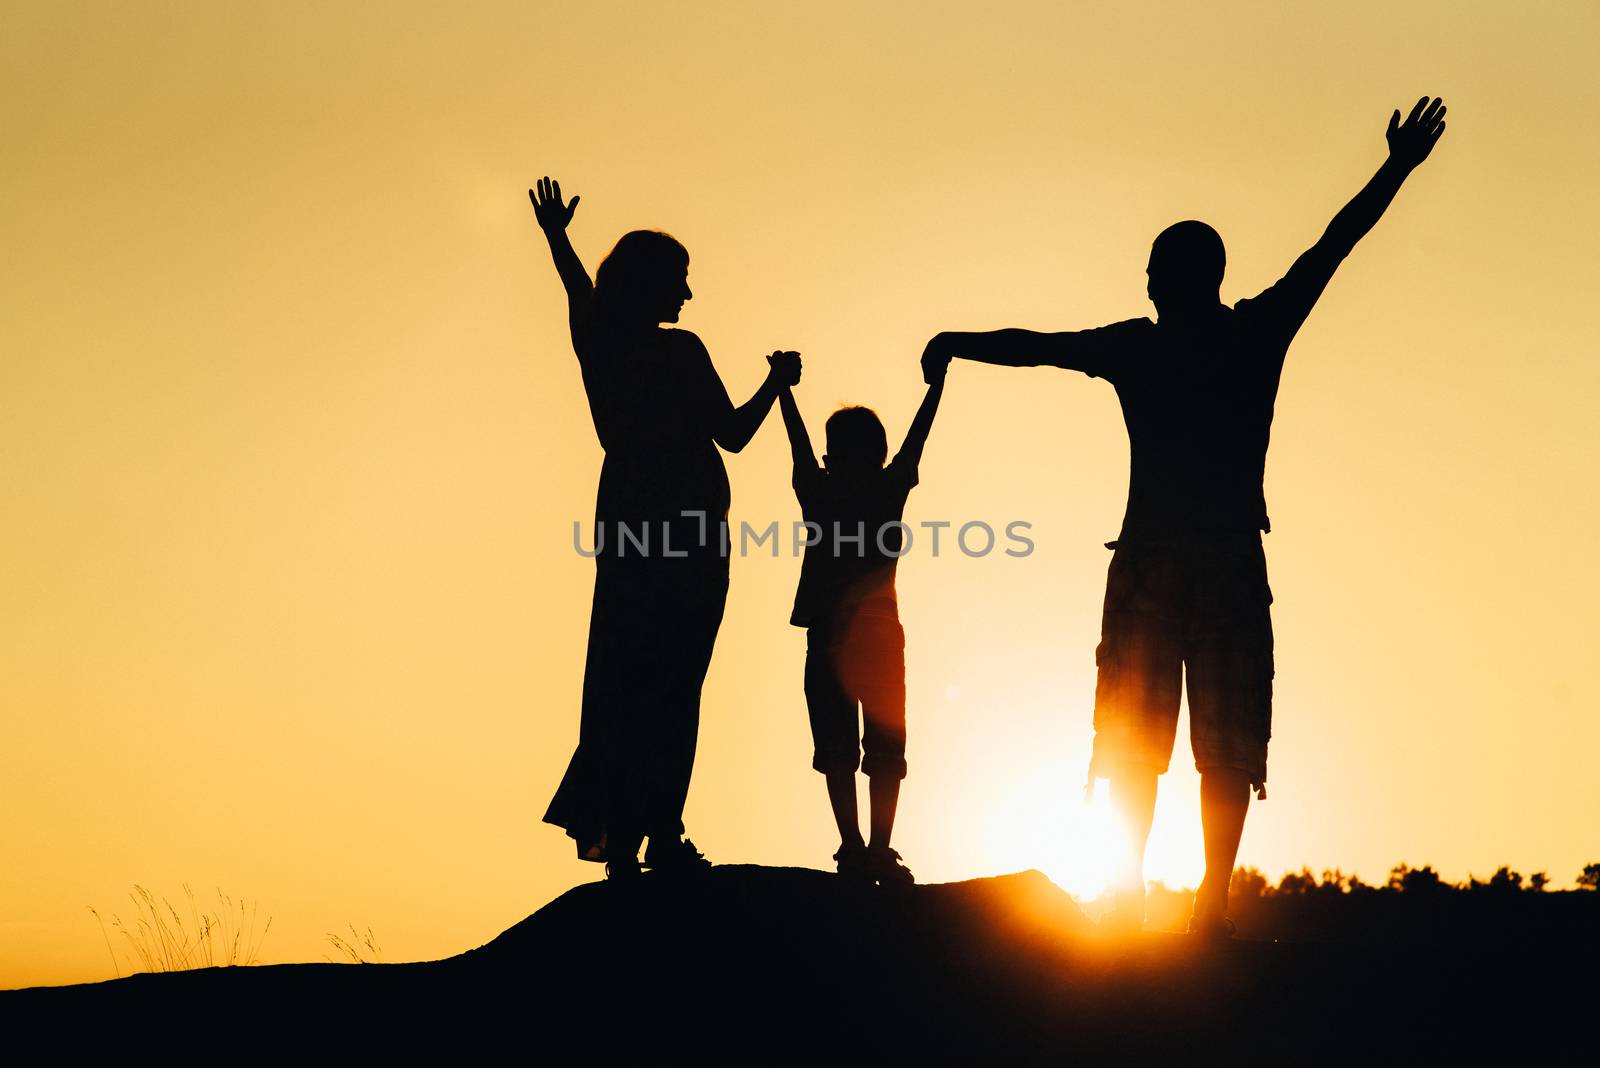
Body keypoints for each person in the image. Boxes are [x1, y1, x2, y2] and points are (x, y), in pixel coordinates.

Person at [920, 98, 1448, 934]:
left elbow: (1039, 344)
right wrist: (1397, 167)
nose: (1145, 281)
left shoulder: (1162, 343)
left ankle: (1159, 889)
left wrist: (956, 340)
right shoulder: (1245, 334)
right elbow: (1331, 247)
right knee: (1207, 740)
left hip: (1167, 563)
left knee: (1158, 735)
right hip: (1217, 559)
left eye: (1154, 270)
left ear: (1175, 278)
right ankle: (1202, 894)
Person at [529, 176, 802, 879]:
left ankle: (636, 839)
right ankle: (657, 836)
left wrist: (558, 238)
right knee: (670, 688)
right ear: (651, 284)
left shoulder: (604, 343)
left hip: (649, 530)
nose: (688, 295)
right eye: (680, 280)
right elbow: (736, 435)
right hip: (678, 537)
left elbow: (577, 289)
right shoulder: (671, 352)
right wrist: (776, 383)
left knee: (633, 681)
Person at [776, 358, 946, 884]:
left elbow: (799, 446)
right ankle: (870, 847)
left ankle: (857, 846)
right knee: (878, 746)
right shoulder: (885, 487)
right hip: (871, 632)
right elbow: (917, 442)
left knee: (841, 746)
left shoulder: (820, 489)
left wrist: (784, 391)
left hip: (835, 633)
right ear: (880, 453)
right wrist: (937, 386)